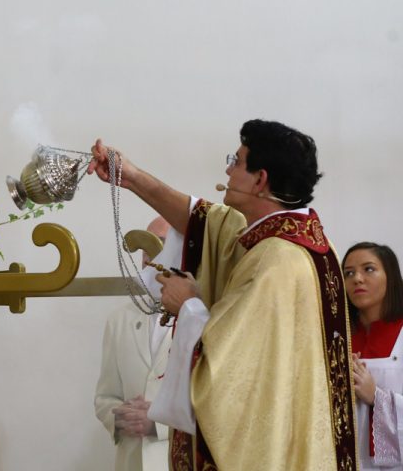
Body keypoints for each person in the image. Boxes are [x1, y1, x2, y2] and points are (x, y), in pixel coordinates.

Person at [87, 119, 357, 471]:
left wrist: (187, 305)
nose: (228, 170)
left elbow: (232, 373)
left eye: (237, 161)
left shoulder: (275, 262)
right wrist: (131, 176)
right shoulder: (295, 239)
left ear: (260, 180)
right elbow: (203, 221)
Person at [94, 216, 173, 471]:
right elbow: (105, 397)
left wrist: (158, 424)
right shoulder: (119, 320)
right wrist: (120, 418)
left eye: (159, 244)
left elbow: (217, 408)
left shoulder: (206, 318)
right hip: (131, 462)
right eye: (144, 248)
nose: (149, 257)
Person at [343, 242, 403, 470]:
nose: (357, 279)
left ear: (391, 276)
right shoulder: (338, 338)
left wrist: (376, 397)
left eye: (368, 269)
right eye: (349, 273)